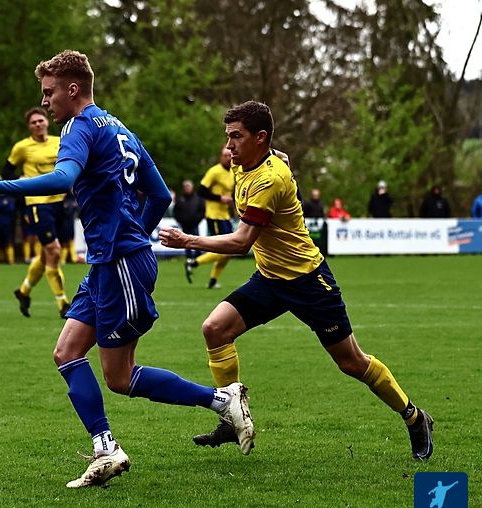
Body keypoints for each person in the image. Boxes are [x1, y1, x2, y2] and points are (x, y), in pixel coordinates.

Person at [0, 50, 254, 489]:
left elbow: (63, 179)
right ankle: (105, 449)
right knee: (66, 352)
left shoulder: (78, 127)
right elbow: (160, 195)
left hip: (121, 265)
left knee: (119, 376)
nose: (45, 102)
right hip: (110, 261)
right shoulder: (119, 128)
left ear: (73, 89)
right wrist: (131, 236)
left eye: (49, 92)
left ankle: (222, 401)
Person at [158, 100, 433, 461]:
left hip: (308, 282)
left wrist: (188, 241)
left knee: (352, 362)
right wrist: (279, 160)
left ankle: (415, 417)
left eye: (236, 137)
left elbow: (241, 242)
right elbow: (280, 157)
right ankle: (231, 416)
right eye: (227, 137)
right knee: (215, 329)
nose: (229, 146)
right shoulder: (250, 162)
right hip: (271, 279)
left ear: (260, 137)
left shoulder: (269, 180)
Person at [3, 107, 71, 318]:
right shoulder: (22, 147)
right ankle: (63, 303)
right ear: (29, 127)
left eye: (40, 120)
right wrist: (20, 187)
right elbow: (6, 172)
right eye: (33, 122)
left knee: (46, 253)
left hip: (59, 202)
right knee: (54, 251)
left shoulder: (59, 141)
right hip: (37, 204)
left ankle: (23, 291)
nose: (38, 124)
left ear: (47, 122)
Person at [185, 147, 235, 289]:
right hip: (214, 216)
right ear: (220, 157)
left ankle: (213, 279)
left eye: (230, 155)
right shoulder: (214, 171)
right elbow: (201, 191)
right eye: (225, 155)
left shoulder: (232, 172)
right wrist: (219, 198)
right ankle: (194, 262)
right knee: (225, 248)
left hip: (225, 215)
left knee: (230, 250)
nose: (228, 158)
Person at [173, 180, 206, 259]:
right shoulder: (180, 199)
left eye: (189, 187)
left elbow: (202, 210)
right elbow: (176, 211)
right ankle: (189, 256)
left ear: (192, 188)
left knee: (196, 239)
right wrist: (181, 220)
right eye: (186, 187)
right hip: (185, 224)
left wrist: (197, 219)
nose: (187, 188)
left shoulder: (198, 198)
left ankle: (198, 257)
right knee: (185, 240)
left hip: (195, 223)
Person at [0, 193, 17, 264]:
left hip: (9, 223)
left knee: (9, 241)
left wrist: (4, 205)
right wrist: (5, 204)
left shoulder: (10, 198)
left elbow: (11, 208)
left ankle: (11, 259)